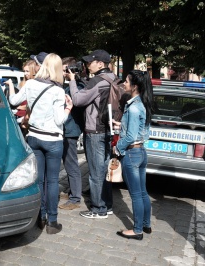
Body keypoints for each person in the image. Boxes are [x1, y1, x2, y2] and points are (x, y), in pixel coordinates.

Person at [8, 53, 73, 234]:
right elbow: (60, 120)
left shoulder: (30, 84)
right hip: (52, 140)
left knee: (38, 180)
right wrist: (68, 108)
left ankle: (40, 216)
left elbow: (13, 102)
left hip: (34, 137)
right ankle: (52, 221)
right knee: (52, 181)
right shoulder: (58, 91)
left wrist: (10, 88)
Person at [68, 49, 114, 219]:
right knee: (104, 170)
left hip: (95, 130)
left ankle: (98, 208)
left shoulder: (97, 80)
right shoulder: (114, 78)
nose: (87, 65)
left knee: (95, 172)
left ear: (100, 64)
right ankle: (107, 205)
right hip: (109, 128)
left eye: (90, 62)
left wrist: (73, 81)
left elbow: (78, 100)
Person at [113, 70, 153, 240]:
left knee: (136, 194)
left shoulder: (134, 107)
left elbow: (130, 137)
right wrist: (120, 125)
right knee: (143, 192)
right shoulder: (141, 105)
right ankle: (146, 224)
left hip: (132, 153)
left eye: (127, 82)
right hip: (141, 151)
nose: (124, 84)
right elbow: (140, 132)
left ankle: (137, 230)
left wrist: (117, 148)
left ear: (135, 86)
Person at [58, 57, 85, 210]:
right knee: (69, 163)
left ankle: (75, 198)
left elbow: (75, 102)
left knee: (71, 163)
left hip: (71, 130)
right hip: (67, 129)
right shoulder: (70, 85)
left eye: (64, 70)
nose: (63, 73)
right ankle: (72, 192)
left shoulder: (78, 86)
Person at [14, 60, 37, 137]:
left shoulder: (37, 85)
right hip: (19, 117)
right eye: (24, 71)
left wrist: (21, 107)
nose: (25, 73)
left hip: (29, 120)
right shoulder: (21, 84)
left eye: (27, 71)